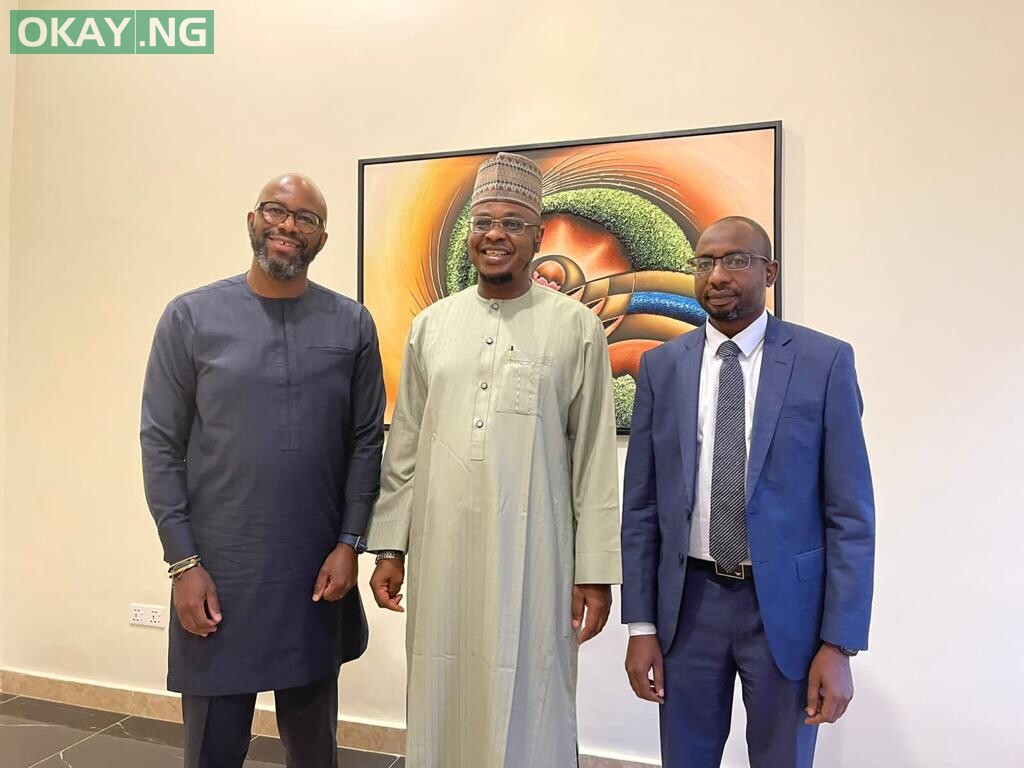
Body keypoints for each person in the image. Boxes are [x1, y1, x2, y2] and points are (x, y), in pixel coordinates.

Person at [365, 152, 621, 767]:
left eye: (511, 223)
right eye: (483, 222)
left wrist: (595, 571)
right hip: (443, 544)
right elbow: (404, 449)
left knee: (532, 684)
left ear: (537, 234)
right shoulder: (431, 326)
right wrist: (390, 547)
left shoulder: (575, 329)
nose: (495, 236)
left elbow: (592, 457)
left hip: (538, 555)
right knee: (441, 681)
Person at [141, 173, 385, 768]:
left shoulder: (351, 325)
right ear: (252, 219)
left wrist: (351, 542)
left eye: (305, 218)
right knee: (213, 750)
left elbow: (365, 443)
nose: (288, 226)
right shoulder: (191, 318)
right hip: (220, 573)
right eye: (276, 211)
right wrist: (183, 563)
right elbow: (159, 444)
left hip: (314, 573)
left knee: (312, 750)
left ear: (321, 237)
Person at [621, 216, 875, 767]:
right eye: (705, 262)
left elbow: (849, 514)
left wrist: (839, 643)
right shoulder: (662, 366)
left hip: (786, 610)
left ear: (770, 272)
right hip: (689, 605)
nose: (717, 275)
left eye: (735, 260)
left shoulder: (824, 362)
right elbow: (641, 506)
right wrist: (641, 625)